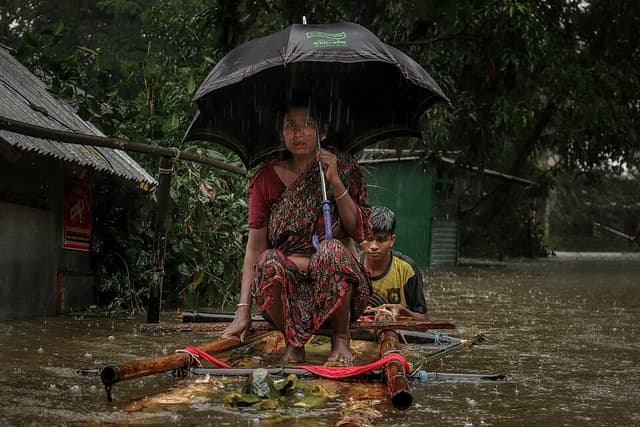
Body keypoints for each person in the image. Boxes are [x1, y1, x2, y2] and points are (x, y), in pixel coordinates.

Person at [222, 99, 372, 365]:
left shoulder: (344, 167)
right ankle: (294, 340)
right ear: (281, 131)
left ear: (322, 132)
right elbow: (254, 249)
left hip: (337, 287)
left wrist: (335, 181)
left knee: (331, 251)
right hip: (284, 291)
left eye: (307, 125)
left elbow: (358, 231)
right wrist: (243, 311)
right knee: (267, 261)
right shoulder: (266, 178)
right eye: (290, 126)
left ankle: (340, 338)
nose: (298, 134)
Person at [360, 206, 428, 320]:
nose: (373, 246)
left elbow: (425, 320)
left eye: (381, 240)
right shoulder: (352, 265)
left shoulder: (407, 269)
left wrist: (403, 311)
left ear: (392, 240)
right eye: (368, 239)